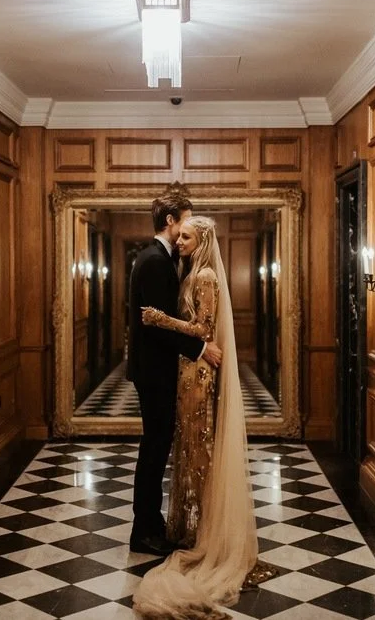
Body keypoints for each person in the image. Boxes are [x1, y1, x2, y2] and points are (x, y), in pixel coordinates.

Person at [133, 216, 277, 619]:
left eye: (187, 237)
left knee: (199, 449)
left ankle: (204, 532)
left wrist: (161, 318)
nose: (179, 241)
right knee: (186, 448)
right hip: (184, 372)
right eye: (179, 235)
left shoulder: (207, 276)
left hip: (197, 374)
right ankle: (188, 528)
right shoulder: (190, 272)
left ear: (202, 241)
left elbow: (203, 328)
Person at [127, 194, 223, 557]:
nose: (186, 227)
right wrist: (200, 349)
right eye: (185, 220)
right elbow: (155, 327)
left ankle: (151, 525)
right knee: (154, 450)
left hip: (157, 369)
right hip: (154, 371)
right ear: (170, 220)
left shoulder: (161, 258)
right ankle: (144, 531)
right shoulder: (154, 260)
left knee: (156, 447)